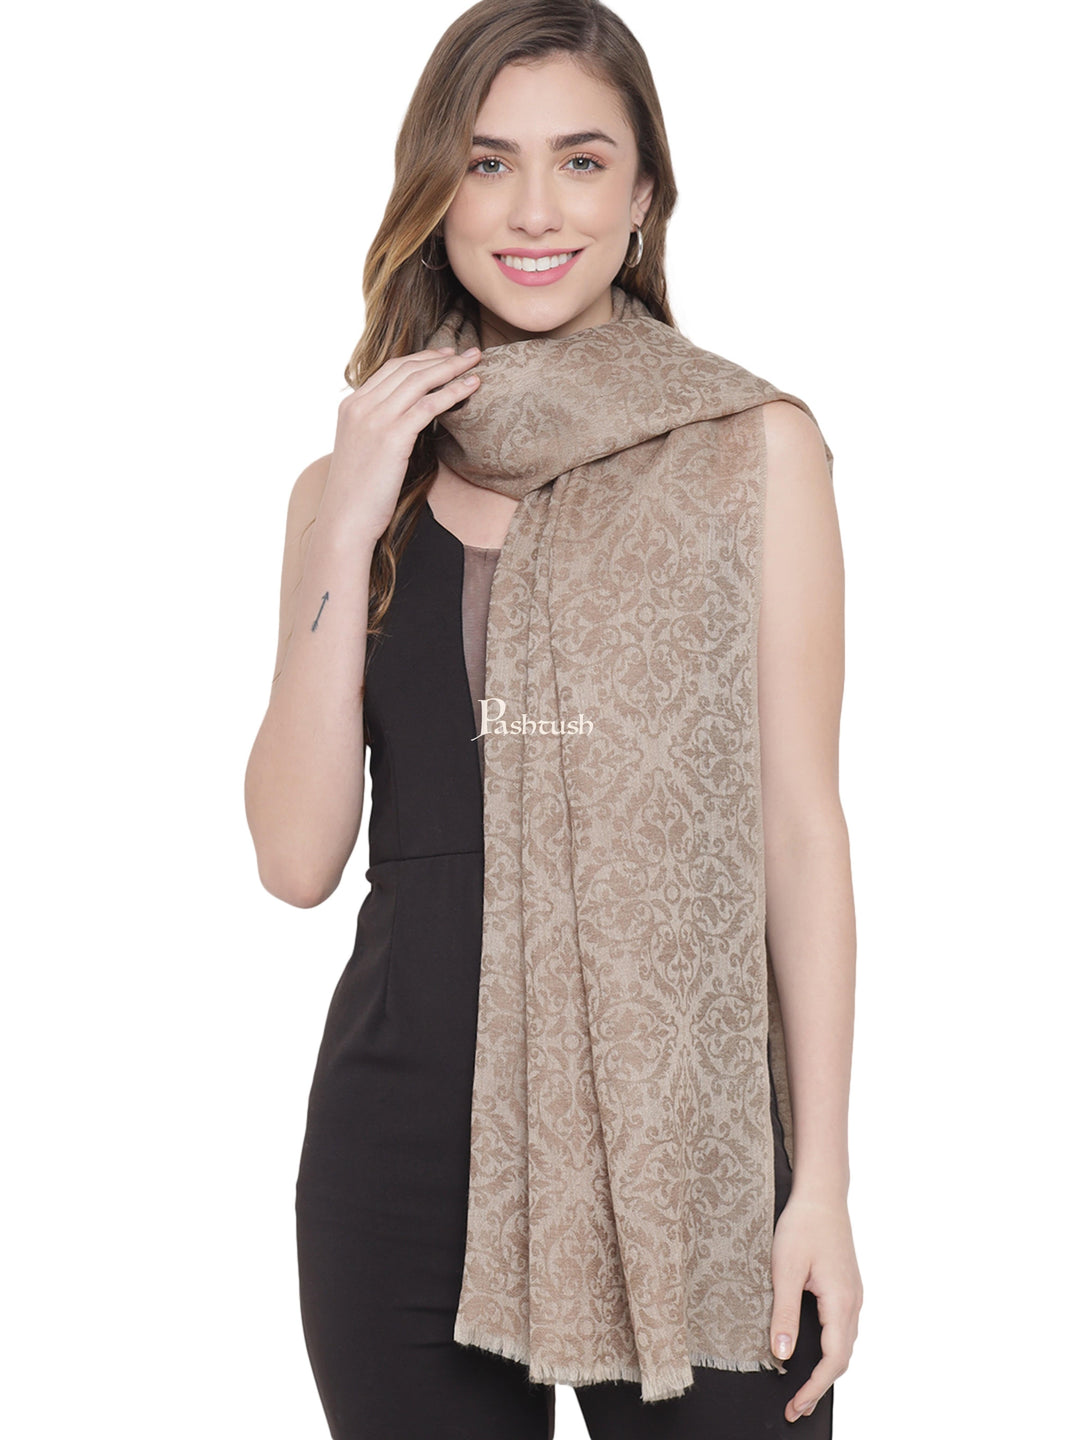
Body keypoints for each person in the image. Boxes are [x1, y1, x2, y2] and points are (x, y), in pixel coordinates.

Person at [244, 2, 862, 1436]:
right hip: (403, 1154)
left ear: (643, 197)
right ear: (435, 191)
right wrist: (349, 518)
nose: (535, 210)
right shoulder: (348, 488)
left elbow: (800, 833)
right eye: (487, 163)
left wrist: (822, 1179)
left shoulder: (752, 449)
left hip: (688, 1154)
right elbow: (293, 857)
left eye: (582, 162)